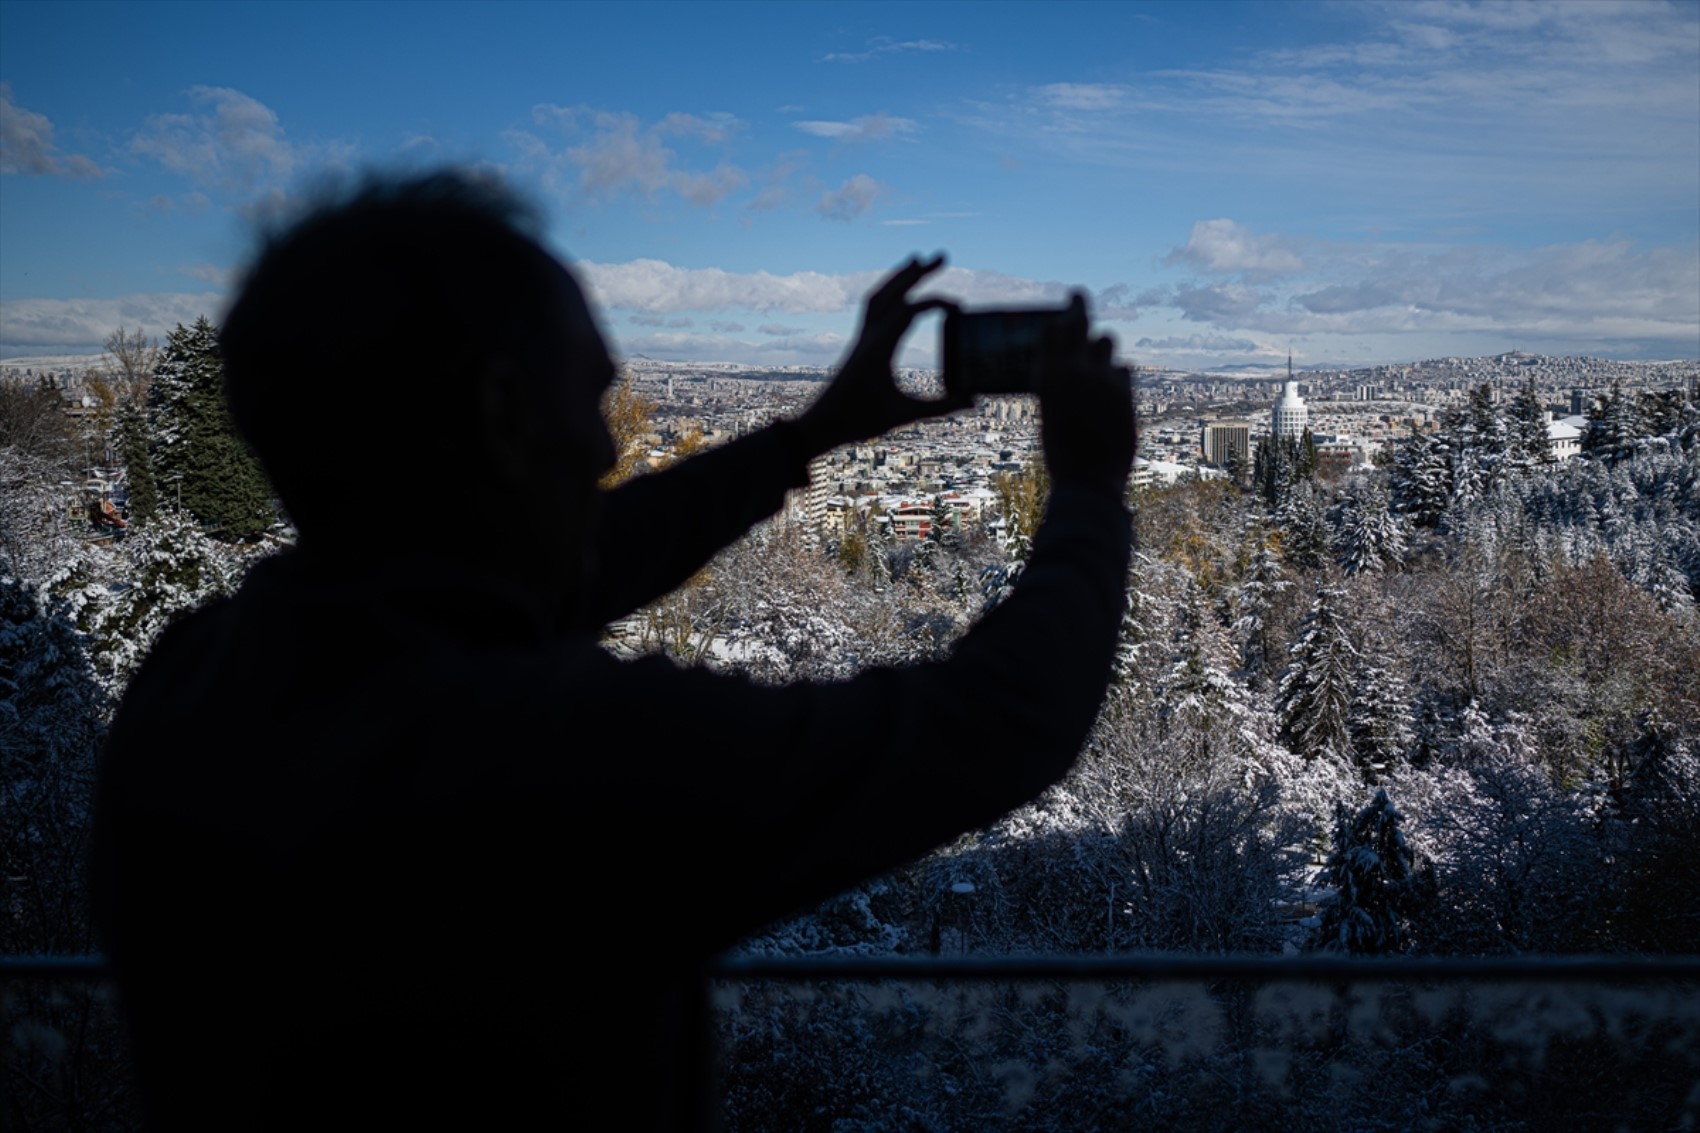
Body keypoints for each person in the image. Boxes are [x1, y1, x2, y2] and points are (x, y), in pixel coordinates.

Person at [91, 171, 1135, 1130]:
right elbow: (998, 721)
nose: (604, 448)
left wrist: (805, 437)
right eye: (587, 401)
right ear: (503, 411)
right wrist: (1088, 486)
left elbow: (539, 573)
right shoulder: (551, 758)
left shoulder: (192, 684)